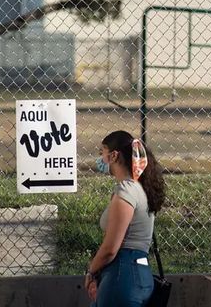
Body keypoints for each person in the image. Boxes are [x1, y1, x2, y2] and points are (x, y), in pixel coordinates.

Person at [84, 131, 167, 306]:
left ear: (113, 155)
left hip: (123, 276)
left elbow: (111, 248)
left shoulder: (126, 191)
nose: (100, 158)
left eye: (102, 152)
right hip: (140, 275)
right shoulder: (140, 189)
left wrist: (91, 272)